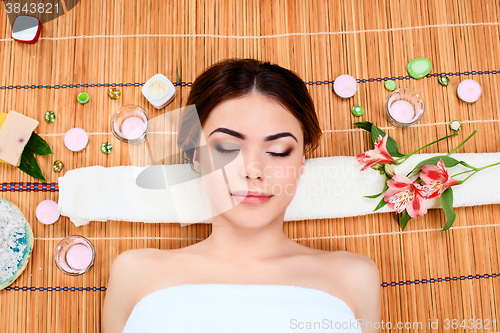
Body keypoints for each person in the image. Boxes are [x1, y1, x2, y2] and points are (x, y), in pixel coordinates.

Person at [102, 58, 381, 333]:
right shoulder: (135, 272)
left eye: (279, 150)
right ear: (197, 157)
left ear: (302, 162)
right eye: (226, 148)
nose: (253, 170)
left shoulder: (354, 278)